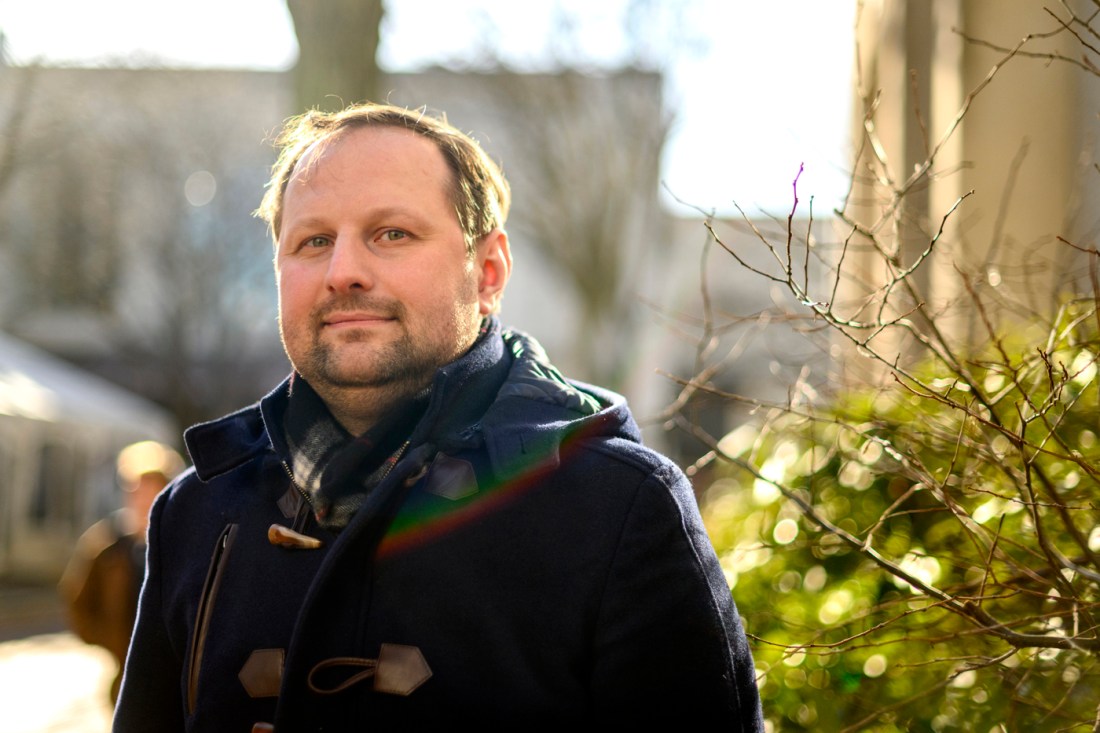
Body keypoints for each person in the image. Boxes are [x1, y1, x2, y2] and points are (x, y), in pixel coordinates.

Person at [114, 102, 763, 731]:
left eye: (391, 233)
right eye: (312, 241)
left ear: (488, 271)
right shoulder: (197, 514)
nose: (343, 271)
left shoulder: (624, 509)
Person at [59, 439, 184, 703]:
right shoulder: (106, 545)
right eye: (136, 489)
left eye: (151, 487)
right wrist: (114, 644)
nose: (142, 496)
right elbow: (77, 601)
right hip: (125, 682)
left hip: (176, 685)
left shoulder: (184, 544)